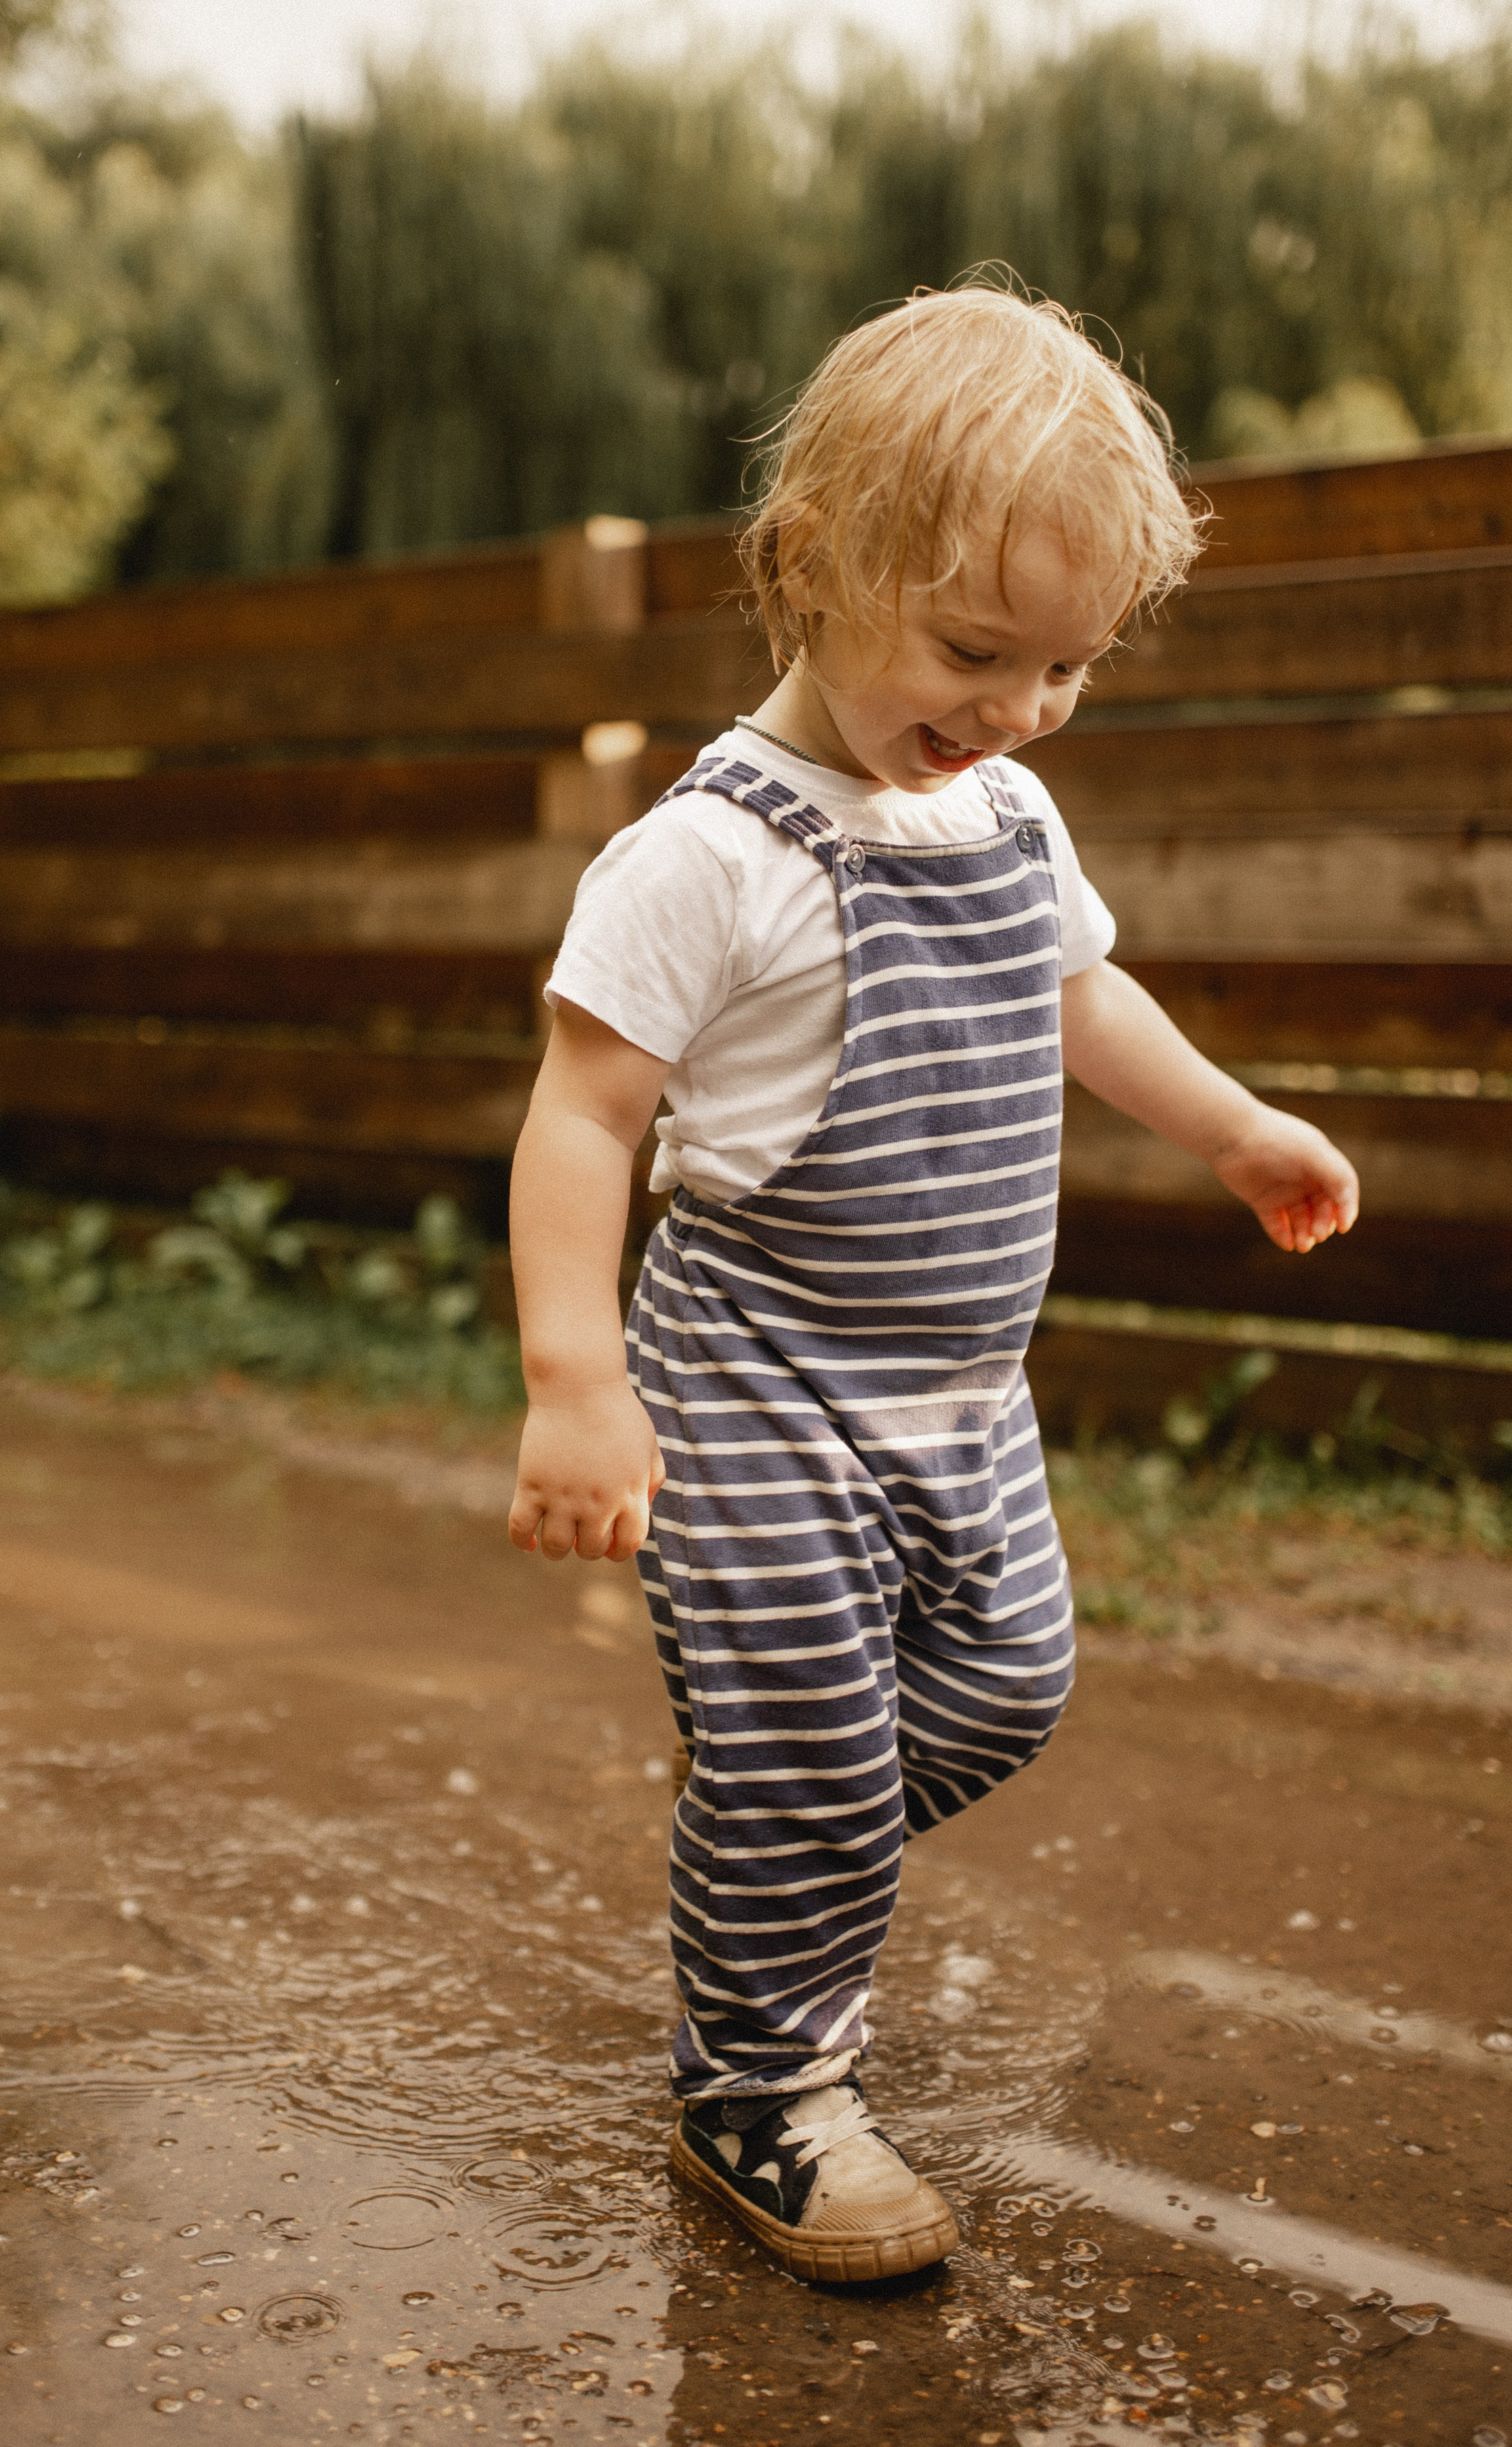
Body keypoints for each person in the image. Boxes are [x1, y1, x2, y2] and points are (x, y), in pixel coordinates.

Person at [505, 283, 1360, 2286]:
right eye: (978, 651)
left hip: (963, 1401)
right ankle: (763, 2088)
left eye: (1070, 666)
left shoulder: (1004, 808)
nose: (1022, 705)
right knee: (808, 1743)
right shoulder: (707, 856)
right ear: (816, 566)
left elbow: (1077, 993)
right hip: (757, 1387)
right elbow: (581, 1119)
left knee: (1009, 1689)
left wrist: (1233, 1129)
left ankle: (771, 1866)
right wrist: (572, 1380)